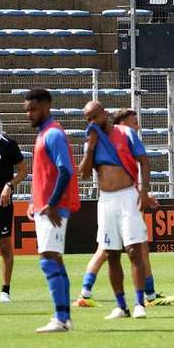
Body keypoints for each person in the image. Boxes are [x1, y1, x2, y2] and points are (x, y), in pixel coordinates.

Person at [77, 101, 153, 320]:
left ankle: (139, 303)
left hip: (127, 196)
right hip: (106, 201)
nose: (91, 122)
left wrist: (144, 190)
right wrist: (90, 147)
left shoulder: (126, 133)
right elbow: (83, 173)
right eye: (88, 119)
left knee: (134, 250)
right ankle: (121, 306)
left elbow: (144, 161)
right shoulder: (91, 138)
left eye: (94, 117)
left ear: (105, 114)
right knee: (111, 254)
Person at [24, 88, 79, 333]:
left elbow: (66, 170)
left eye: (33, 109)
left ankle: (60, 319)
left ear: (47, 106)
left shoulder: (53, 134)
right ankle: (64, 318)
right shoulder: (44, 134)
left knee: (47, 259)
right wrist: (33, 202)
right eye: (27, 110)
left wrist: (53, 202)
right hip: (44, 207)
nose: (29, 114)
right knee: (54, 259)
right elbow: (45, 175)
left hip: (53, 209)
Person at [0, 110, 26, 303]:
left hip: (1, 203)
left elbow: (23, 170)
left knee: (4, 246)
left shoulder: (8, 145)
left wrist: (9, 185)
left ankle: (5, 291)